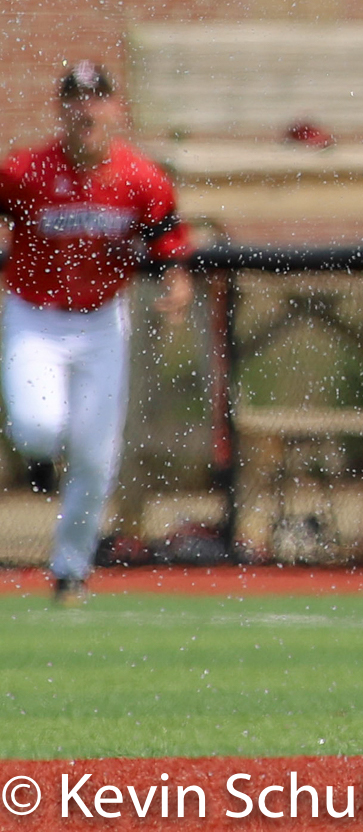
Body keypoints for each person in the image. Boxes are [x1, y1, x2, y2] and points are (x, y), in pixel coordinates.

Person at [1, 61, 193, 605]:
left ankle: (70, 570)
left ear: (115, 108)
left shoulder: (139, 177)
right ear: (60, 109)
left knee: (94, 457)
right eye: (75, 98)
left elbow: (166, 241)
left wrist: (174, 282)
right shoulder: (25, 171)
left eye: (96, 97)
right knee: (37, 428)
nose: (86, 108)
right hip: (34, 316)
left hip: (103, 321)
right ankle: (42, 458)